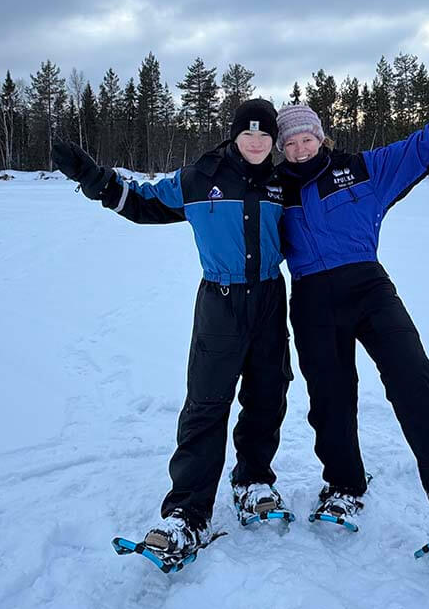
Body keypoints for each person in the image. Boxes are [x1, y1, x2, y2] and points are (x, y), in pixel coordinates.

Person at [51, 99, 291, 556]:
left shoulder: (285, 182)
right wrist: (92, 178)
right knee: (206, 404)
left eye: (265, 136)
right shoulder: (200, 178)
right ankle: (187, 513)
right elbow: (142, 202)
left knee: (267, 393)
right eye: (248, 134)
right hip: (220, 300)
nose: (257, 143)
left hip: (268, 298)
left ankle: (254, 481)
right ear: (234, 136)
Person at [274, 84, 429, 528]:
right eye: (291, 143)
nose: (301, 150)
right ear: (282, 149)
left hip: (368, 288)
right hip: (311, 300)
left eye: (307, 139)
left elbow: (419, 148)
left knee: (412, 374)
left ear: (322, 138)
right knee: (330, 398)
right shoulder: (273, 191)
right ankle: (343, 486)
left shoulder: (362, 170)